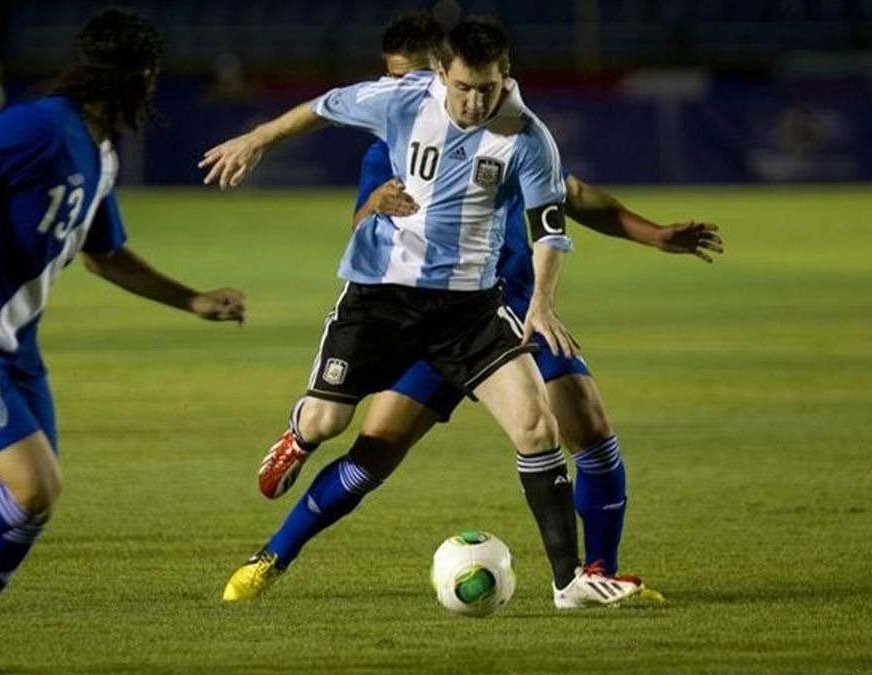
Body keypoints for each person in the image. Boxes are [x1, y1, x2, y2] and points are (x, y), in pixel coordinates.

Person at [222, 12, 723, 604]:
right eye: (451, 85)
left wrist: (650, 237)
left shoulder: (525, 136)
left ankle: (587, 575)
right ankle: (273, 552)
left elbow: (569, 200)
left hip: (499, 310)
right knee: (371, 450)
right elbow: (361, 222)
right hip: (401, 308)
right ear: (438, 76)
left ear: (498, 75)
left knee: (577, 426)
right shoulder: (392, 134)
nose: (468, 99)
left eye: (484, 86)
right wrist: (348, 190)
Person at [0, 11, 245, 672]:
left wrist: (193, 299)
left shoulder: (98, 153)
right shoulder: (42, 125)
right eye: (150, 77)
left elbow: (104, 255)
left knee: (32, 507)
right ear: (135, 77)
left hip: (16, 350)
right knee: (32, 485)